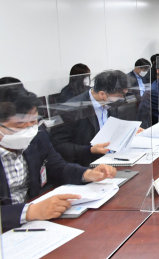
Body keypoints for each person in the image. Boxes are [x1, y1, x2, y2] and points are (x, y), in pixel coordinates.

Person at [0, 85, 116, 231]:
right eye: (20, 125)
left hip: (34, 224)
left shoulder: (37, 138)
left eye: (33, 122)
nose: (29, 130)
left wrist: (87, 174)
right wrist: (30, 211)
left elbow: (58, 167)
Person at [50, 70, 133, 166]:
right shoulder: (70, 110)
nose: (122, 98)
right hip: (86, 166)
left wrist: (127, 131)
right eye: (120, 95)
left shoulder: (110, 103)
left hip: (112, 158)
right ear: (102, 94)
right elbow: (58, 146)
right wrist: (89, 150)